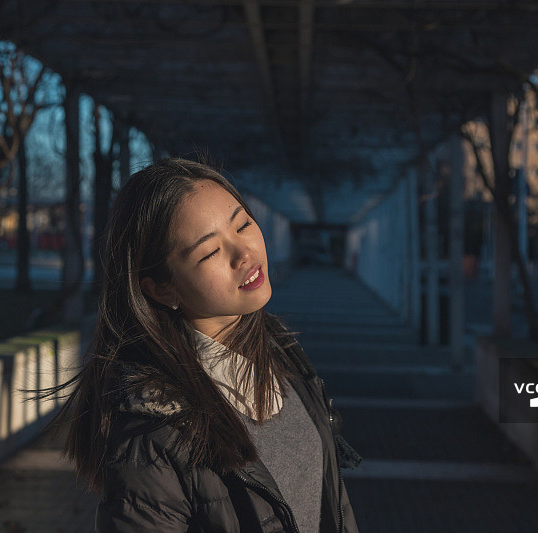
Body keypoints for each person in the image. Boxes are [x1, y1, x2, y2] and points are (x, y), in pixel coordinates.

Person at [50, 158, 360, 532]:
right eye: (210, 252)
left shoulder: (279, 351)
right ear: (163, 289)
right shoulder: (153, 436)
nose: (244, 254)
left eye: (243, 223)